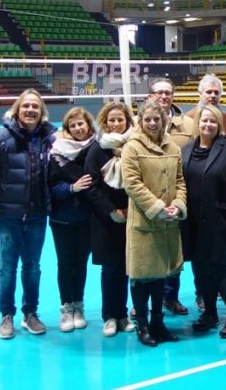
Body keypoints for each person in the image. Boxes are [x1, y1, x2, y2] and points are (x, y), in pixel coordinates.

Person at [0, 89, 56, 339]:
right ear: (17, 110)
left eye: (35, 107)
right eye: (26, 106)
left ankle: (30, 313)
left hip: (37, 215)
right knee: (7, 267)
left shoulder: (49, 140)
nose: (30, 110)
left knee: (32, 267)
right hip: (7, 216)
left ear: (42, 113)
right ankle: (6, 315)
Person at [122, 99, 187, 347]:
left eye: (156, 119)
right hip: (144, 223)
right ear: (140, 121)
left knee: (161, 275)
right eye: (147, 119)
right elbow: (132, 183)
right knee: (141, 277)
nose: (152, 123)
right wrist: (157, 208)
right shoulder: (132, 147)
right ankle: (143, 326)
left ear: (164, 121)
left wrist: (178, 206)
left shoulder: (174, 147)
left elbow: (180, 181)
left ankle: (159, 323)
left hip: (169, 223)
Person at [181, 104, 226, 339]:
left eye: (212, 121)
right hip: (192, 221)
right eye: (204, 120)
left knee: (219, 268)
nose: (207, 124)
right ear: (198, 122)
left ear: (218, 124)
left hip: (221, 219)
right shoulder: (187, 150)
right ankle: (209, 313)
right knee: (200, 269)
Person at [84, 101, 136, 337]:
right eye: (112, 120)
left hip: (132, 216)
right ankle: (109, 316)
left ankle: (123, 314)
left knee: (127, 268)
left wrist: (130, 209)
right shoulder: (97, 149)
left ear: (127, 121)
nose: (116, 124)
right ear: (105, 122)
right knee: (110, 269)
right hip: (105, 219)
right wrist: (111, 211)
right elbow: (92, 185)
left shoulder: (133, 145)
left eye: (120, 119)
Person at [147, 77, 197, 315]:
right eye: (159, 93)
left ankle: (171, 296)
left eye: (168, 93)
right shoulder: (139, 124)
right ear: (150, 96)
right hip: (147, 200)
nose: (164, 97)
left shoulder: (188, 125)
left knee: (175, 250)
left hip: (177, 197)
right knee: (147, 251)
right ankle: (144, 301)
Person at [47, 107, 96, 333]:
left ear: (88, 125)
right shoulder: (57, 153)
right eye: (73, 125)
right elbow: (51, 188)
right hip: (62, 219)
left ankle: (79, 305)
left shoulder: (96, 150)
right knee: (65, 264)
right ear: (68, 129)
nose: (78, 128)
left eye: (81, 124)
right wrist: (71, 188)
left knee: (81, 263)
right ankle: (66, 308)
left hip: (87, 218)